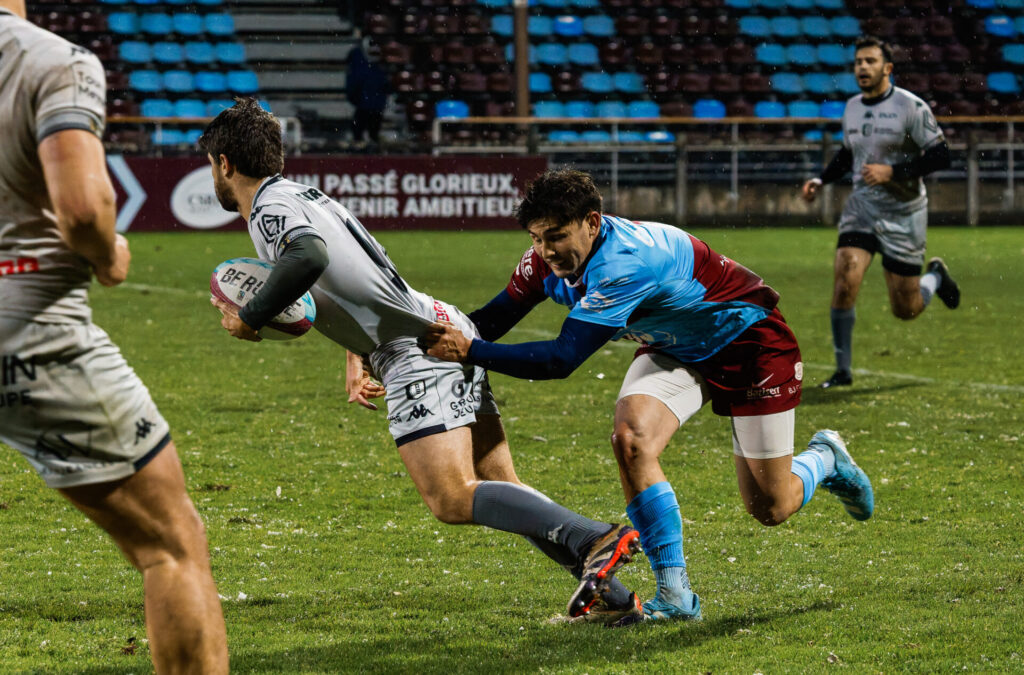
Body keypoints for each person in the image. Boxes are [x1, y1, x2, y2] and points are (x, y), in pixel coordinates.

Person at [200, 99, 642, 623]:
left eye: (211, 164)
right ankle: (615, 601)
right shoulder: (303, 196)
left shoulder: (269, 209)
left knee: (451, 498)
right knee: (500, 485)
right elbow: (357, 275)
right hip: (435, 322)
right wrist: (358, 352)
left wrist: (250, 317)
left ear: (225, 163)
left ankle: (593, 539)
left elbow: (310, 258)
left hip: (415, 348)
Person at [422, 169, 875, 624]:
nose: (546, 251)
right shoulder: (545, 260)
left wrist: (471, 351)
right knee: (631, 440)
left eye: (556, 236)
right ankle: (675, 595)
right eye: (537, 239)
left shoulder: (625, 262)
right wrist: (410, 351)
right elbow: (490, 322)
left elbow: (560, 359)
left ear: (592, 222)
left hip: (749, 344)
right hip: (674, 345)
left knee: (771, 507)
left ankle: (825, 459)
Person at [0, 3, 228, 671]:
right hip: (28, 330)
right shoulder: (51, 61)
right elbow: (81, 211)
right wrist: (109, 254)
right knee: (170, 544)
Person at [801, 35, 959, 389]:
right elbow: (848, 154)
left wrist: (894, 172)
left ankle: (935, 277)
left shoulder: (910, 106)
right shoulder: (852, 107)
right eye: (859, 61)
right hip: (863, 207)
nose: (863, 67)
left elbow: (941, 155)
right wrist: (821, 179)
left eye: (870, 61)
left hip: (904, 212)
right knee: (845, 279)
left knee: (906, 308)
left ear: (887, 68)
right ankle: (842, 371)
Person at [345, 36, 389, 149]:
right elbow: (353, 83)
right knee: (359, 130)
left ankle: (370, 142)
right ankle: (360, 142)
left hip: (375, 105)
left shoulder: (379, 67)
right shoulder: (358, 60)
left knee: (372, 130)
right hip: (364, 104)